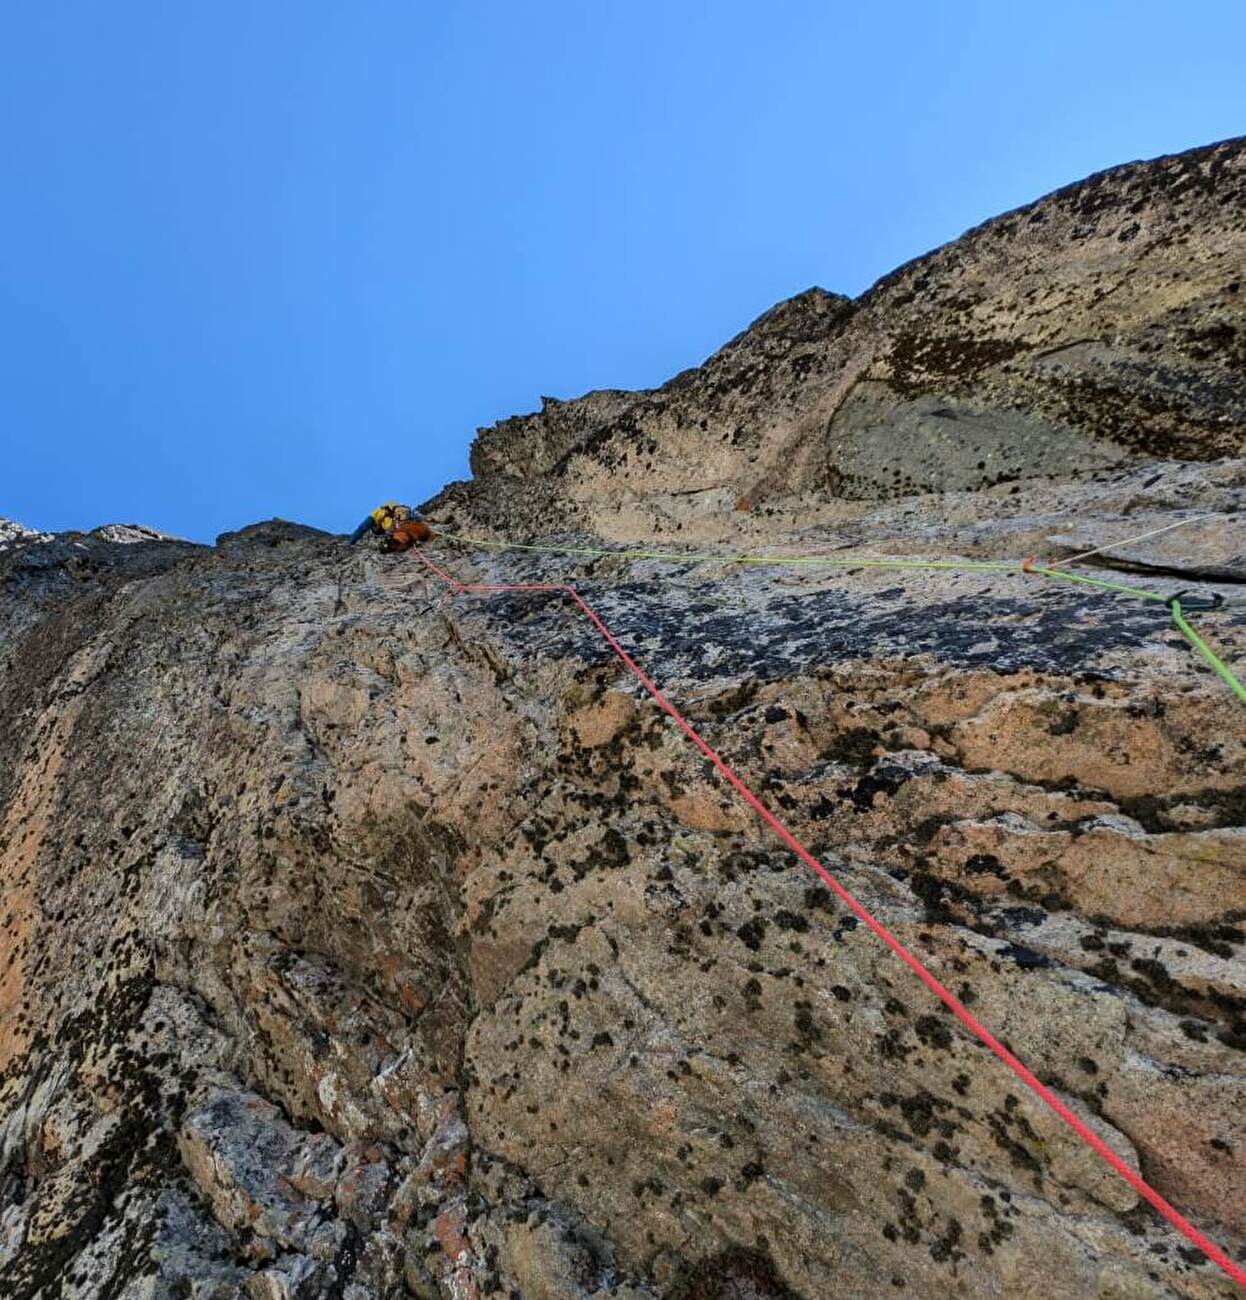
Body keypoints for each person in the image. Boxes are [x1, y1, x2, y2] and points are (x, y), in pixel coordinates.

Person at [348, 502, 432, 549]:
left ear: (376, 527)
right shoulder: (390, 511)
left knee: (394, 540)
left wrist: (351, 542)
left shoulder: (375, 517)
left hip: (401, 523)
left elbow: (361, 529)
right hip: (406, 516)